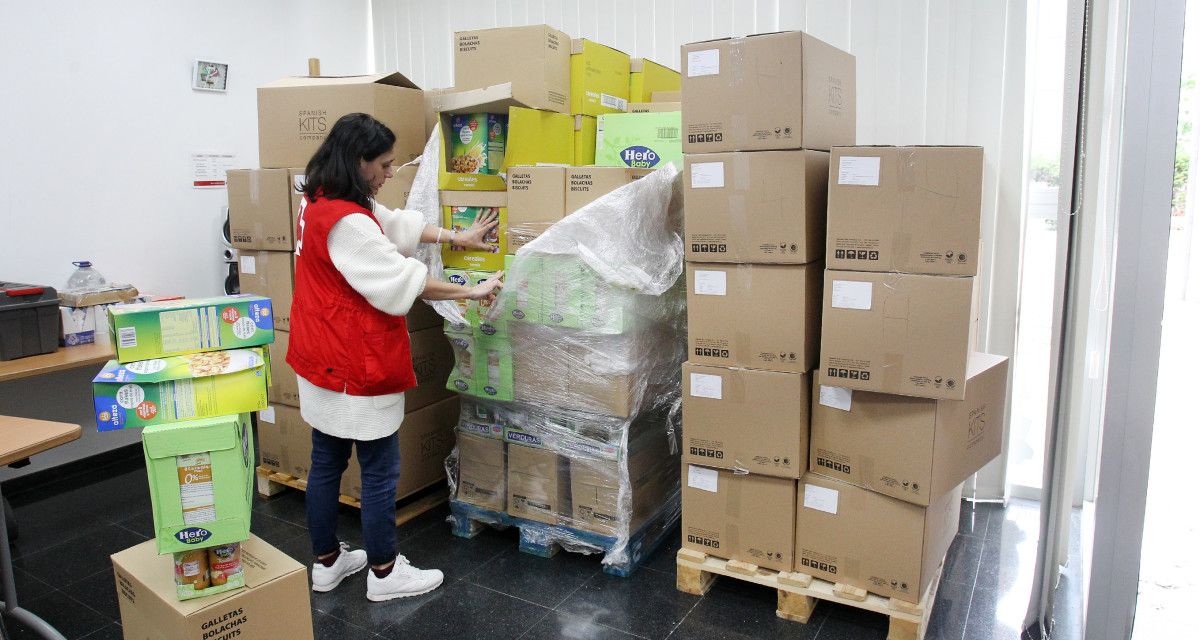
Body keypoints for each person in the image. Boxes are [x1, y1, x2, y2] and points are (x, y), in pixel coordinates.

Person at [286, 112, 502, 602]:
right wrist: (471, 290)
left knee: (326, 461)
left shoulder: (320, 200)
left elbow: (392, 224)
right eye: (383, 165)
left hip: (319, 352)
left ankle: (327, 563)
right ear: (357, 162)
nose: (389, 174)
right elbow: (404, 281)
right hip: (353, 361)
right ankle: (384, 573)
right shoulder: (348, 223)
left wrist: (455, 238)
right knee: (380, 468)